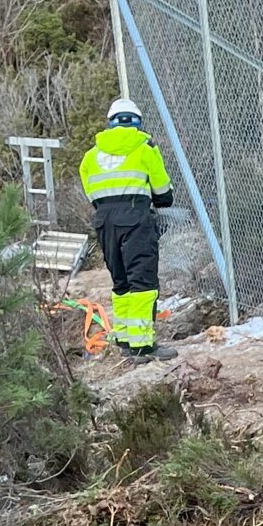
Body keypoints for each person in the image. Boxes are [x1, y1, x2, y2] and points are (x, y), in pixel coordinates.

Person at [79, 98, 176, 362]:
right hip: (136, 219)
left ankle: (123, 337)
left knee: (120, 281)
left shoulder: (91, 156)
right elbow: (163, 194)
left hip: (105, 221)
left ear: (110, 123)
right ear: (137, 122)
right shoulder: (145, 149)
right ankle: (142, 345)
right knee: (143, 282)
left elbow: (92, 195)